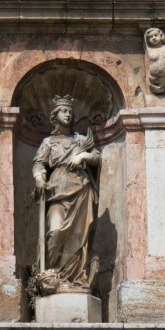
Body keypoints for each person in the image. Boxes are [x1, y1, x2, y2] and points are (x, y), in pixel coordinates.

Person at [32, 95, 101, 291]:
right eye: (64, 111)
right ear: (55, 116)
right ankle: (53, 273)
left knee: (79, 236)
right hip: (57, 190)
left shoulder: (81, 140)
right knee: (54, 232)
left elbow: (97, 157)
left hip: (81, 188)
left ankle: (75, 279)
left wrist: (83, 156)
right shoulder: (48, 142)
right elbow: (39, 163)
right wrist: (39, 177)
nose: (68, 114)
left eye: (70, 111)